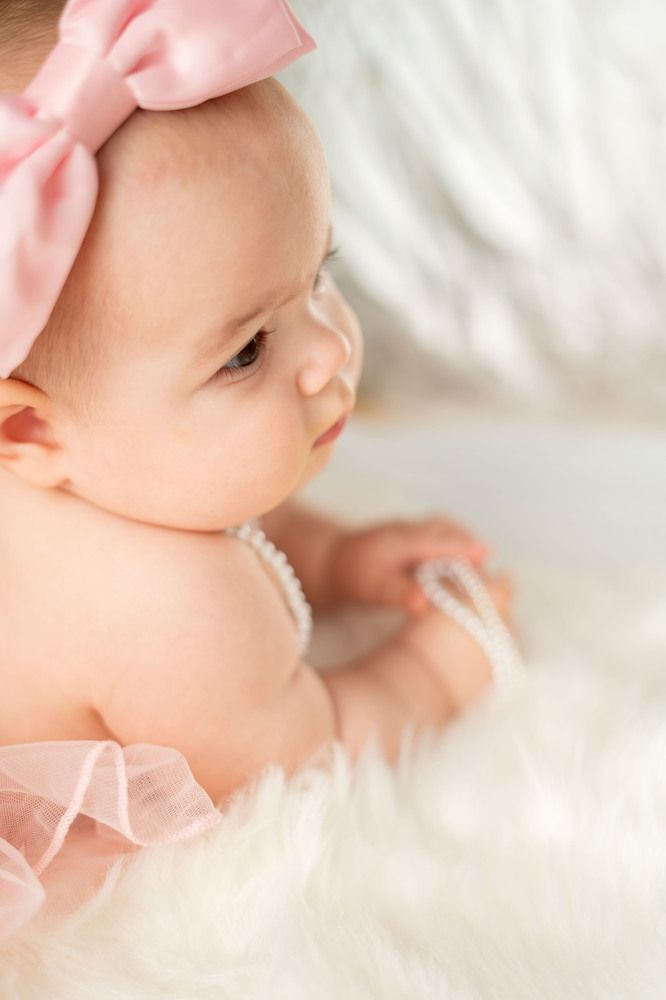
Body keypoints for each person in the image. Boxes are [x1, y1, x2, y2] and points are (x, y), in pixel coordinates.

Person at [0, 0, 516, 943]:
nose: (329, 353)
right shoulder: (184, 609)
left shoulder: (113, 461)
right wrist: (439, 669)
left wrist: (339, 555)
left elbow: (231, 510)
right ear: (29, 427)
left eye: (319, 272)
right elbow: (304, 756)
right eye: (245, 352)